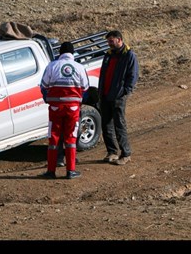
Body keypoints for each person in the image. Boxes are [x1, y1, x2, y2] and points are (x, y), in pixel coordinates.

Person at [40, 42, 89, 179]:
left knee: (54, 137)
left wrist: (48, 99)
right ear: (72, 53)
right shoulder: (79, 67)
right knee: (70, 138)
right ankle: (71, 171)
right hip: (72, 108)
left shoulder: (51, 66)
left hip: (55, 108)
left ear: (60, 53)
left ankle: (51, 171)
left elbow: (43, 86)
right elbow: (85, 87)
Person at [98, 30, 139, 165]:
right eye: (108, 41)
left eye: (111, 41)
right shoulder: (108, 55)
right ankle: (112, 152)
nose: (109, 43)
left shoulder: (129, 55)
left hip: (118, 96)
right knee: (106, 125)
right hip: (105, 95)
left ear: (119, 40)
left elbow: (132, 76)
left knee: (119, 124)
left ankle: (126, 153)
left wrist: (124, 91)